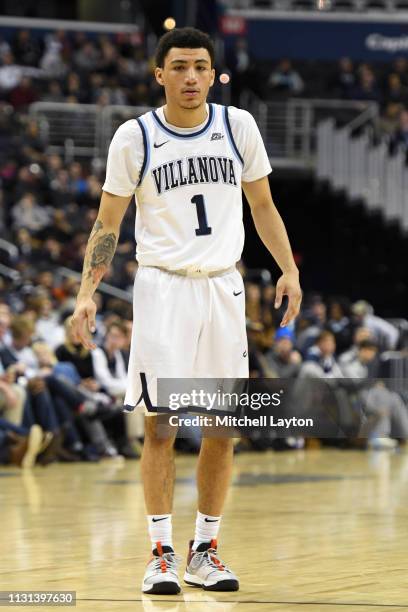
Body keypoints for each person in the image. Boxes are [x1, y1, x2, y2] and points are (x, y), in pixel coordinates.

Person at [70, 27, 302, 595]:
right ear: (159, 74)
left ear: (213, 72)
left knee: (223, 427)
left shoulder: (237, 126)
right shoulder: (136, 137)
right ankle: (160, 554)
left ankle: (206, 550)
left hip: (224, 288)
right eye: (179, 67)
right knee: (162, 424)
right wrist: (86, 291)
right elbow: (107, 224)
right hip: (163, 288)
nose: (191, 76)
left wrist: (289, 269)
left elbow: (263, 205)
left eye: (201, 66)